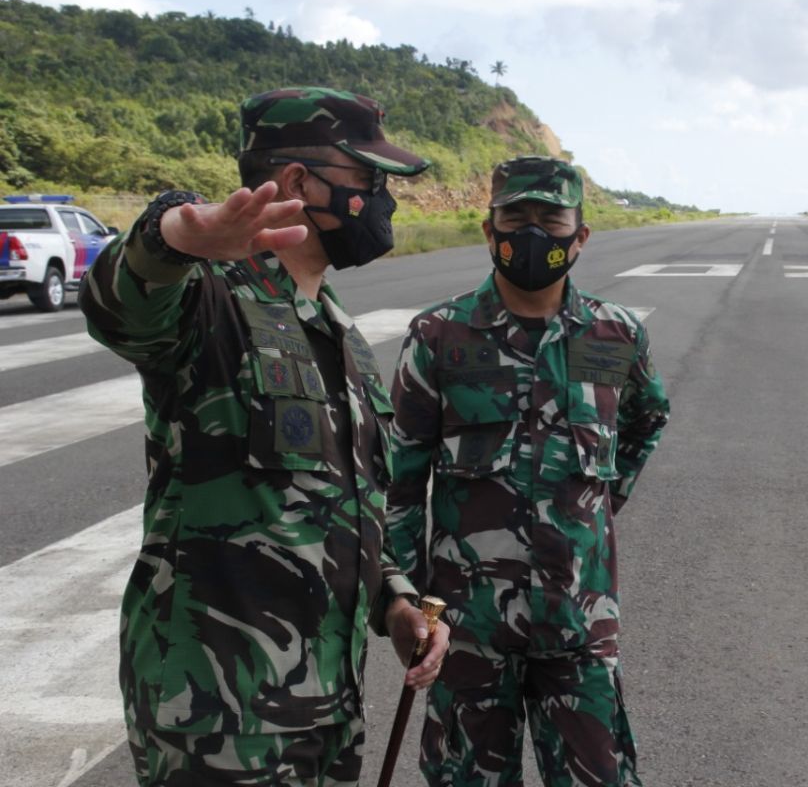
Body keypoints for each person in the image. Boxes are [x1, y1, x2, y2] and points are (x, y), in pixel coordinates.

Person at [80, 86, 449, 786]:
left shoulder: (340, 333)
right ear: (300, 183)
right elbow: (121, 308)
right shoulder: (210, 295)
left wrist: (396, 599)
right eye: (368, 179)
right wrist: (171, 236)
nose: (383, 200)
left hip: (324, 705)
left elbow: (341, 503)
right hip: (221, 716)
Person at [387, 156, 670, 786]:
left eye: (551, 218)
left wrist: (597, 503)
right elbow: (400, 478)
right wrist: (402, 598)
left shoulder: (615, 334)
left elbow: (649, 418)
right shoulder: (440, 336)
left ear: (581, 235)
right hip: (467, 630)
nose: (533, 233)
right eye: (516, 218)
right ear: (489, 231)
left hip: (579, 624)